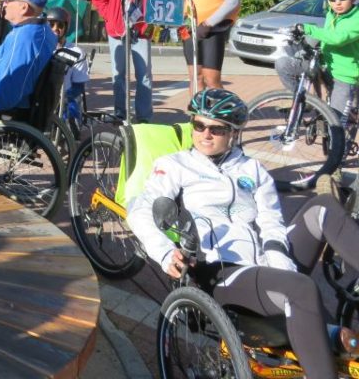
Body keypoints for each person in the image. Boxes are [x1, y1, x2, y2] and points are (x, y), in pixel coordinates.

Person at [127, 89, 359, 378]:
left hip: (266, 264)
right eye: (198, 125)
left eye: (216, 129)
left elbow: (271, 220)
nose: (205, 134)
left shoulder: (252, 169)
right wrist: (164, 252)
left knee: (323, 207)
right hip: (220, 272)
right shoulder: (174, 165)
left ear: (234, 133)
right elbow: (139, 210)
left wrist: (278, 260)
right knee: (301, 288)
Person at [91, 0, 163, 123]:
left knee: (144, 75)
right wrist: (111, 17)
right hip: (117, 29)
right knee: (119, 75)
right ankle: (120, 114)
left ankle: (144, 118)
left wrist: (150, 21)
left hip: (141, 29)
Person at [279, 0, 359, 120]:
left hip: (344, 76)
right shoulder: (332, 14)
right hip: (323, 66)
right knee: (283, 64)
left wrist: (308, 29)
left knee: (335, 123)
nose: (337, 3)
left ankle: (346, 118)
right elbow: (325, 34)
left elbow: (338, 38)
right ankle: (306, 101)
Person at [46, 6, 90, 122]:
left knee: (71, 112)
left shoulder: (76, 52)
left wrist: (63, 98)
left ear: (66, 28)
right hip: (41, 97)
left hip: (65, 98)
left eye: (60, 25)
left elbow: (78, 86)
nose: (55, 29)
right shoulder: (39, 48)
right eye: (51, 25)